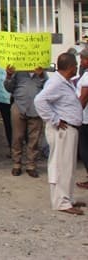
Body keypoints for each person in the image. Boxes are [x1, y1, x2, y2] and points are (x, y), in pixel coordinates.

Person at [34, 52, 88, 215]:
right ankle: (61, 202)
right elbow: (39, 100)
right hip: (62, 129)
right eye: (75, 66)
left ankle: (67, 198)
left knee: (68, 166)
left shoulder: (64, 82)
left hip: (70, 128)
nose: (77, 68)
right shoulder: (56, 83)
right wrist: (55, 119)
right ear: (71, 67)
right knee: (61, 165)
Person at [4, 65, 47, 177]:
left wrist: (41, 75)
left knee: (34, 138)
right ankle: (17, 164)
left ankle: (31, 165)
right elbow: (8, 88)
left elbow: (47, 87)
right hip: (19, 106)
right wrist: (9, 75)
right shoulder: (17, 70)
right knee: (17, 137)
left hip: (36, 108)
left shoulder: (41, 71)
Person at [74, 58, 88, 190]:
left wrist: (74, 115)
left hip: (85, 118)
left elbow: (83, 98)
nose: (81, 61)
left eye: (83, 59)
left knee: (84, 150)